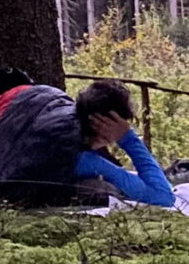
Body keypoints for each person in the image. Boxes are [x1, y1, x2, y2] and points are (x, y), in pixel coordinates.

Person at [73, 79, 176, 207]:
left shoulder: (67, 131)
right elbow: (164, 196)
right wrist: (128, 137)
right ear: (107, 123)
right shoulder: (87, 161)